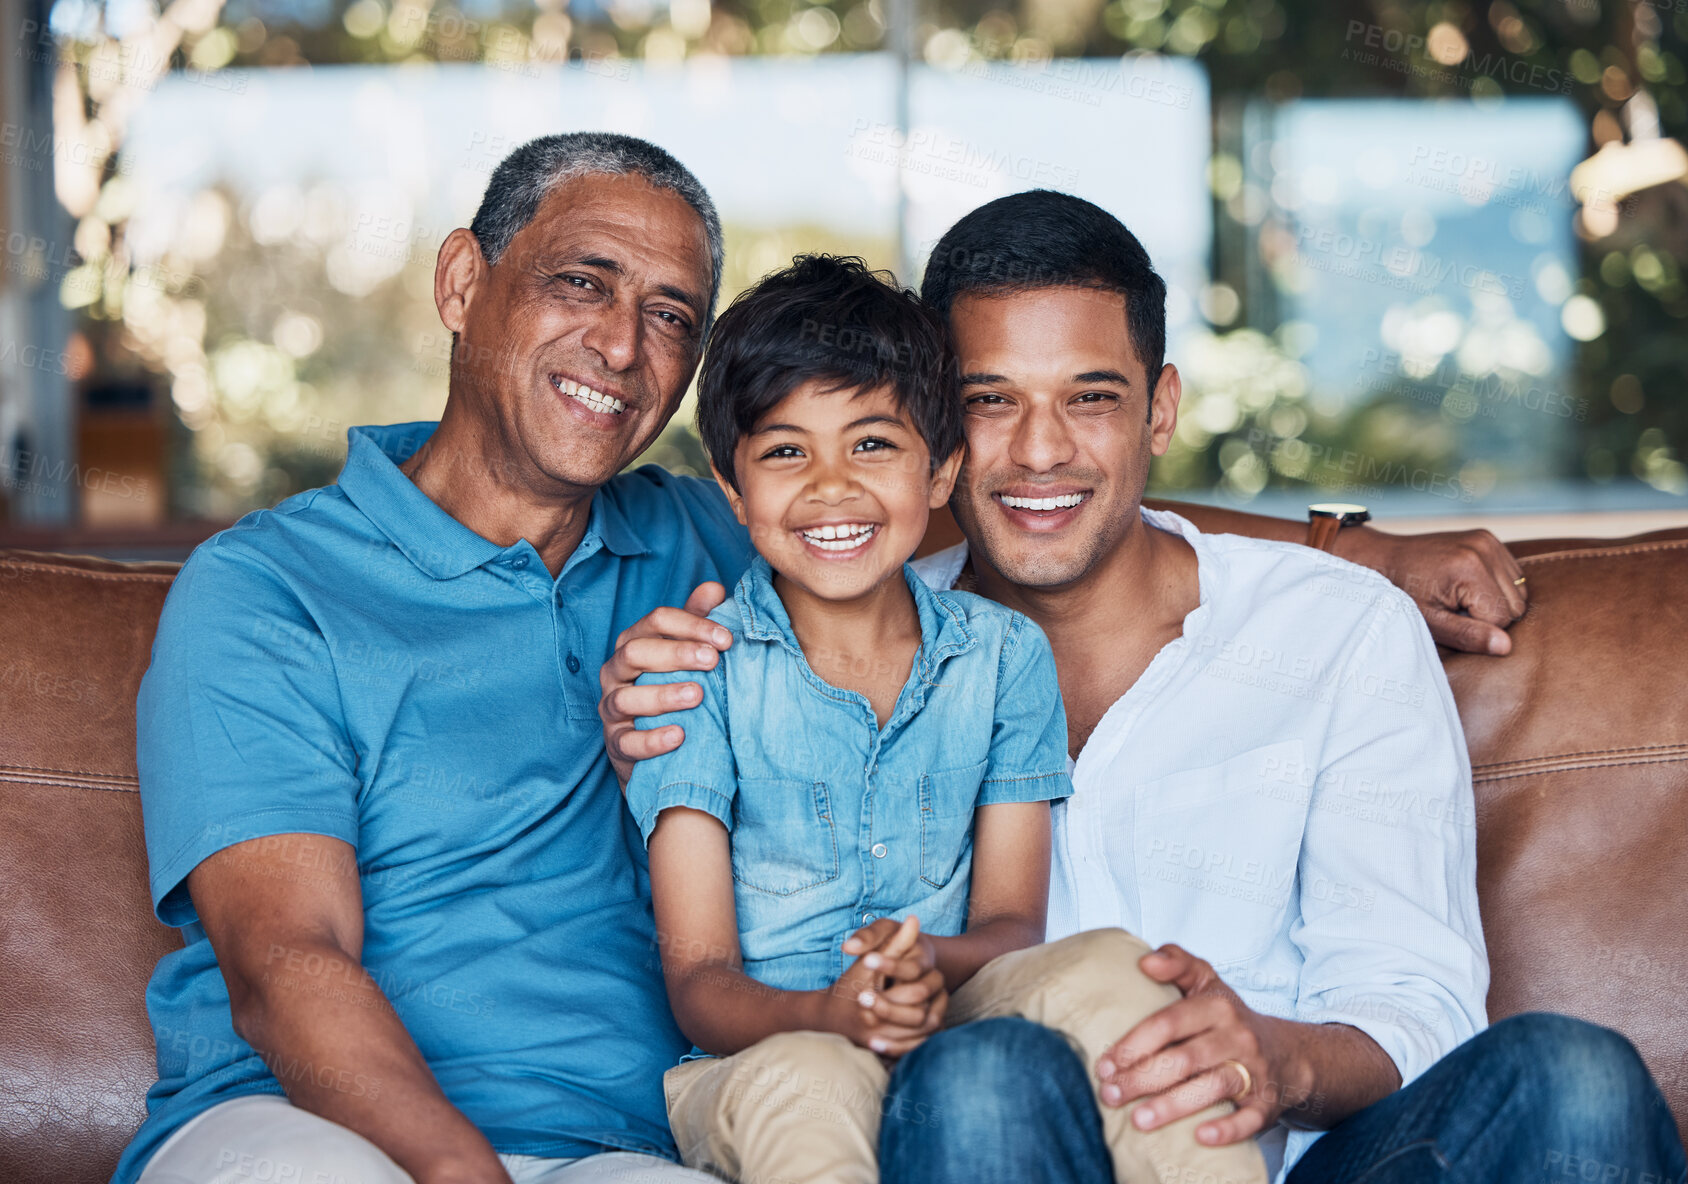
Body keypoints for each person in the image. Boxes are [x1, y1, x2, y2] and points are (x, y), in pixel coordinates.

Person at [121, 129, 1531, 1184]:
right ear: (463, 282)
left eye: (672, 314)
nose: (622, 343)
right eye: (582, 283)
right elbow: (285, 960)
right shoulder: (269, 588)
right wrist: (462, 1179)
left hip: (623, 1140)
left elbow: (1025, 491)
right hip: (313, 1126)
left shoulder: (714, 538)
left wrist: (1347, 553)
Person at [607, 191, 1688, 1184]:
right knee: (981, 1073)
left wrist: (1275, 1057)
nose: (1039, 450)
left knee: (1573, 1073)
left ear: (1156, 413)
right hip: (993, 1131)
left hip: (1294, 1153)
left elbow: (1413, 994)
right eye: (990, 399)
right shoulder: (827, 630)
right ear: (938, 425)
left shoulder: (1334, 628)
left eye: (1090, 397)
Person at [624, 254, 1267, 1184]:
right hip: (764, 1047)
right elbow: (699, 983)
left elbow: (1012, 926)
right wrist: (831, 1015)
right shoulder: (698, 677)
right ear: (733, 493)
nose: (832, 486)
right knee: (809, 1085)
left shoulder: (1002, 657)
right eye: (784, 451)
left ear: (941, 473)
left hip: (951, 1009)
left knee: (1117, 969)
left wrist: (922, 963)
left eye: (873, 445)